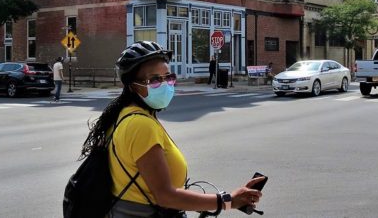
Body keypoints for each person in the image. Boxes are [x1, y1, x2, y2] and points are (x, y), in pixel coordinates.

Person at [79, 41, 263, 217]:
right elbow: (165, 196)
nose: (166, 84)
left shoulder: (128, 114)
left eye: (169, 77)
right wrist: (229, 201)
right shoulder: (139, 125)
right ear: (133, 85)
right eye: (155, 80)